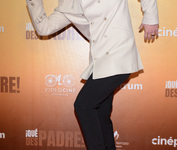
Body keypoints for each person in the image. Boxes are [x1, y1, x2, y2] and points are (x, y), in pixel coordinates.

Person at [26, 0, 159, 149]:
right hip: (100, 64)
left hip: (120, 54)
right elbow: (44, 28)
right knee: (101, 114)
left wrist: (150, 17)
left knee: (83, 106)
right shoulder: (68, 4)